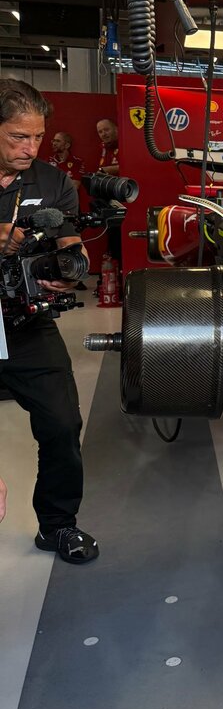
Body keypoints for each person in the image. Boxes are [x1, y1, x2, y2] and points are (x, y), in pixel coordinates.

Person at [0, 79, 98, 563]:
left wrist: (71, 272)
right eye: (18, 136)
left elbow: (71, 245)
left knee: (62, 424)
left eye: (37, 136)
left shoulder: (53, 182)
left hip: (27, 322)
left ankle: (58, 526)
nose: (30, 147)